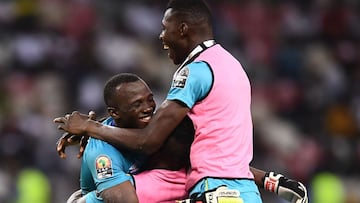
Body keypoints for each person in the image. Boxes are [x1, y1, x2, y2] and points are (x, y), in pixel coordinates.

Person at [54, 0, 308, 202]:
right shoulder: (232, 66)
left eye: (165, 27)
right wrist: (268, 180)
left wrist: (91, 128)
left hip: (214, 192)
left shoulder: (195, 71)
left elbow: (148, 142)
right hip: (244, 194)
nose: (162, 36)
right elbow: (211, 150)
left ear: (183, 29)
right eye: (136, 104)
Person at [66, 73, 194, 203]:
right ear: (115, 113)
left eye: (150, 99)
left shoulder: (154, 126)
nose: (148, 108)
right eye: (137, 104)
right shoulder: (102, 152)